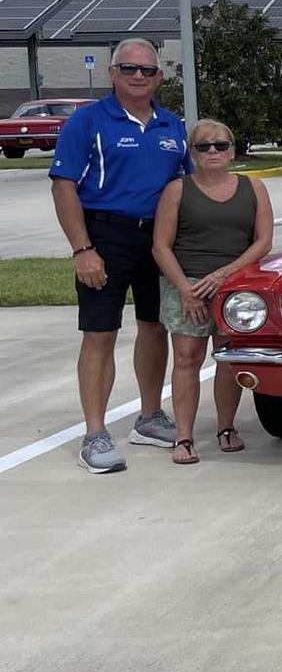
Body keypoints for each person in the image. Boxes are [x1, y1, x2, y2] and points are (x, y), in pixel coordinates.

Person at [49, 38, 189, 473]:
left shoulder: (172, 125)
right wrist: (83, 249)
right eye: (129, 68)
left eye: (147, 70)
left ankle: (150, 417)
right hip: (105, 236)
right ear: (112, 73)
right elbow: (64, 186)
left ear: (159, 76)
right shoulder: (88, 121)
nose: (138, 76)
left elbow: (186, 187)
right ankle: (95, 434)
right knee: (100, 333)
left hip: (159, 241)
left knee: (154, 326)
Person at [151, 119, 274, 464]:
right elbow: (160, 247)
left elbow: (263, 242)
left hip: (235, 286)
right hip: (186, 283)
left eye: (220, 145)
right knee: (187, 357)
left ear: (232, 150)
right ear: (192, 153)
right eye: (203, 146)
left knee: (227, 357)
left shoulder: (254, 188)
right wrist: (185, 290)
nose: (213, 151)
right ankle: (184, 437)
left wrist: (225, 274)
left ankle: (226, 427)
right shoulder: (177, 190)